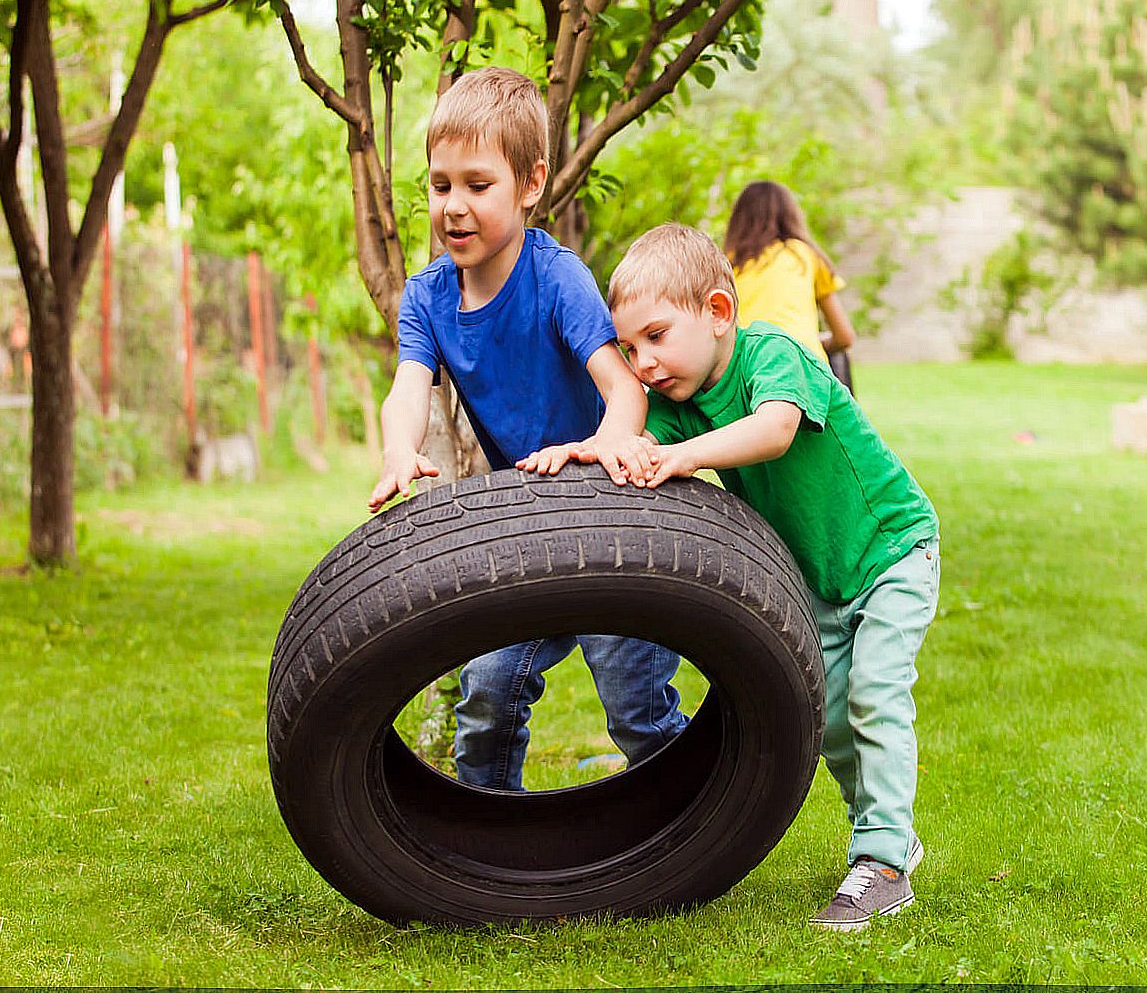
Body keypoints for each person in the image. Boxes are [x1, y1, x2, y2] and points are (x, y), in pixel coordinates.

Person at [602, 223, 941, 931]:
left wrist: (683, 455)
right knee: (830, 722)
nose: (645, 361)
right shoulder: (679, 402)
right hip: (816, 580)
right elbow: (634, 447)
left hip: (890, 550)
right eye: (631, 348)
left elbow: (776, 428)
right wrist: (603, 450)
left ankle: (880, 865)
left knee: (875, 692)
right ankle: (885, 833)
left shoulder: (773, 352)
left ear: (719, 313)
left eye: (658, 335)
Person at [366, 67, 688, 792]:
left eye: (478, 185)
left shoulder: (557, 277)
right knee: (488, 690)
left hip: (613, 511)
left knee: (634, 708)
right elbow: (408, 387)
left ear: (530, 183)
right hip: (533, 521)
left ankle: (688, 812)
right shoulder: (426, 298)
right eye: (440, 184)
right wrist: (398, 449)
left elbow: (622, 387)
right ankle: (489, 836)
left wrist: (607, 442)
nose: (454, 205)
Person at [723, 181, 857, 390]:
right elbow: (844, 336)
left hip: (747, 368)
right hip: (805, 365)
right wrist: (814, 341)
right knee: (838, 359)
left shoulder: (728, 264)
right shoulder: (804, 255)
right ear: (790, 215)